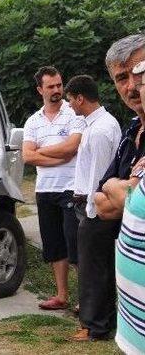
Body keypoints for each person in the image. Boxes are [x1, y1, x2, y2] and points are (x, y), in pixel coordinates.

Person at [86, 34, 145, 342]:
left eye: (139, 74)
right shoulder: (131, 130)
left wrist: (120, 191)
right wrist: (123, 188)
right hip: (133, 319)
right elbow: (101, 202)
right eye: (122, 78)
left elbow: (130, 201)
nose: (131, 86)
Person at [60, 75, 121, 342]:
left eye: (71, 99)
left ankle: (94, 326)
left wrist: (91, 211)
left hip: (95, 208)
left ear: (80, 98)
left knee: (92, 269)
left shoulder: (99, 130)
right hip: (94, 206)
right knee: (102, 267)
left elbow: (100, 176)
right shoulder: (100, 124)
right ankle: (104, 319)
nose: (70, 105)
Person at [22, 66, 85, 310]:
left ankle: (84, 299)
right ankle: (61, 296)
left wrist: (40, 151)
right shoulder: (33, 121)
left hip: (71, 188)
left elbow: (71, 147)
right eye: (51, 86)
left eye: (60, 85)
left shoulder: (74, 114)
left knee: (74, 242)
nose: (57, 90)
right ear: (40, 90)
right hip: (45, 188)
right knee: (54, 244)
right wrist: (56, 157)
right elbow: (27, 156)